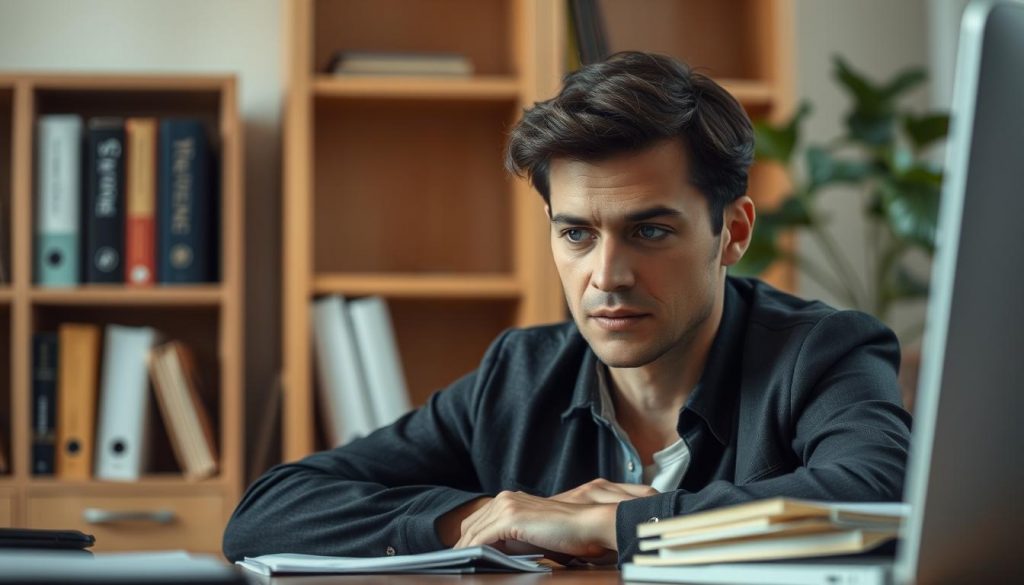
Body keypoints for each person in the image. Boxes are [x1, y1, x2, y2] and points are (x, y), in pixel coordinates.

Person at [222, 51, 912, 564]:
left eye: (650, 230)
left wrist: (608, 525)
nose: (605, 276)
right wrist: (483, 516)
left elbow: (881, 495)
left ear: (731, 231)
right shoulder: (518, 375)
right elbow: (268, 512)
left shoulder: (824, 352)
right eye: (576, 232)